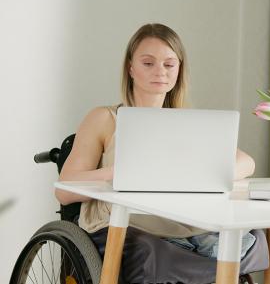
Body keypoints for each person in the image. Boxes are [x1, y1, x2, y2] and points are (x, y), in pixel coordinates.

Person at [55, 23, 259, 283]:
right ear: (131, 68)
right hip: (127, 224)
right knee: (150, 251)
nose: (160, 72)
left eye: (169, 64)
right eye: (148, 63)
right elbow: (64, 188)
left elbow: (246, 162)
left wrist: (205, 174)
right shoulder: (105, 118)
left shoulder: (188, 122)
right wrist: (122, 174)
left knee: (257, 238)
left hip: (181, 221)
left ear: (179, 70)